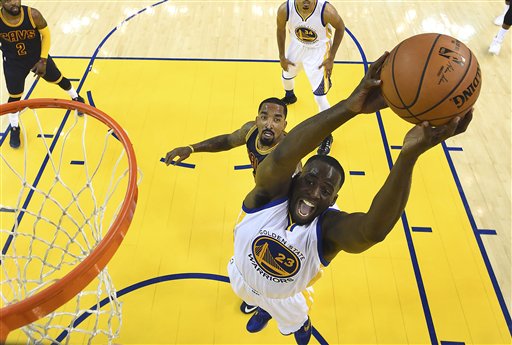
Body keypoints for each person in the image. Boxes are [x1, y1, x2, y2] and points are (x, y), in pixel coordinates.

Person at [227, 52, 472, 345]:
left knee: (292, 320)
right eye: (310, 181)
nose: (315, 192)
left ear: (332, 201)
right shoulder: (267, 196)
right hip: (241, 277)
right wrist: (348, 108)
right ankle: (261, 305)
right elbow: (282, 155)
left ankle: (298, 325)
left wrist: (408, 157)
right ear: (295, 180)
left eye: (326, 191)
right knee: (251, 292)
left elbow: (372, 231)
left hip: (286, 299)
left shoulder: (326, 230)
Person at [0, 0, 85, 149]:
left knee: (58, 79)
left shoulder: (33, 14)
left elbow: (46, 35)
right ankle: (14, 127)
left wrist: (43, 60)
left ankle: (76, 96)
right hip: (14, 62)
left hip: (37, 58)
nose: (14, 3)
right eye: (8, 0)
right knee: (14, 96)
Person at [277, 0, 345, 155]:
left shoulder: (327, 11)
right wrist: (281, 55)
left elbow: (341, 28)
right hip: (297, 46)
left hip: (318, 52)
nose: (306, 1)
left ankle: (327, 135)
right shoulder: (285, 9)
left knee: (320, 98)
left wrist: (331, 57)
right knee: (286, 77)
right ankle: (290, 96)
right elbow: (280, 29)